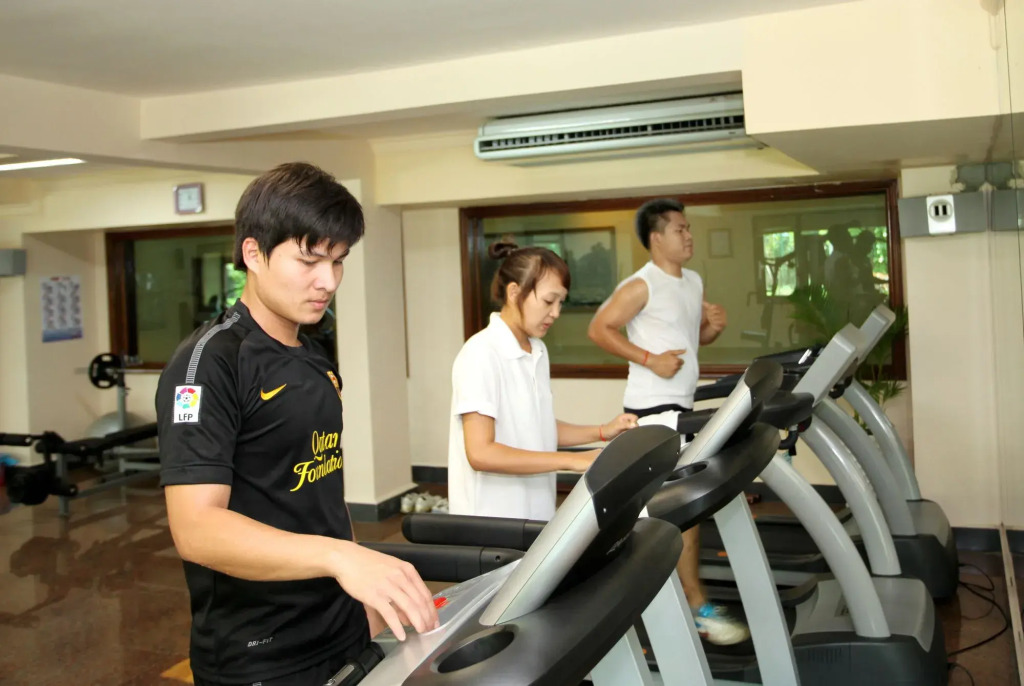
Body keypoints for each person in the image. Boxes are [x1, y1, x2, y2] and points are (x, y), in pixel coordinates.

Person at [156, 162, 438, 686]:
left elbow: (321, 489)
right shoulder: (208, 364)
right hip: (261, 652)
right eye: (309, 261)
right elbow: (196, 528)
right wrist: (341, 558)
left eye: (338, 261)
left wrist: (362, 598)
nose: (327, 281)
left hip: (339, 625)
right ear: (253, 253)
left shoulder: (313, 356)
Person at [587, 198, 749, 646]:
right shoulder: (641, 285)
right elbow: (599, 329)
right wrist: (648, 359)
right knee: (674, 513)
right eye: (680, 229)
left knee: (683, 510)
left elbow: (687, 341)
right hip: (652, 412)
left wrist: (712, 330)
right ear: (656, 238)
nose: (689, 235)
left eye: (689, 228)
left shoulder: (692, 281)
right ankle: (691, 607)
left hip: (682, 408)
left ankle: (686, 605)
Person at [448, 241, 638, 521]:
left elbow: (537, 426)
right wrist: (573, 460)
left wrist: (602, 431)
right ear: (514, 292)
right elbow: (481, 453)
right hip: (490, 519)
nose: (556, 313)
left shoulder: (537, 350)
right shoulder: (481, 353)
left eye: (561, 302)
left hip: (535, 511)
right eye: (549, 301)